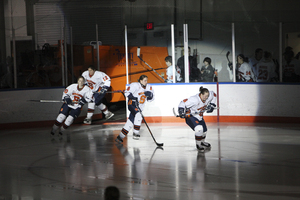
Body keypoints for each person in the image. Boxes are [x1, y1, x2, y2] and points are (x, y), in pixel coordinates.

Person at [115, 75, 155, 143]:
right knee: (139, 115)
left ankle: (120, 137)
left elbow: (151, 99)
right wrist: (133, 98)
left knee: (130, 122)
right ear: (140, 80)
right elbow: (127, 93)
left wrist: (150, 96)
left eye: (146, 80)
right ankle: (135, 133)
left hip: (140, 107)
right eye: (145, 80)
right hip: (132, 104)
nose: (146, 82)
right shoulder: (135, 85)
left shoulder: (149, 87)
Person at [178, 86, 217, 152]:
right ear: (201, 94)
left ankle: (202, 142)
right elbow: (183, 102)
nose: (206, 98)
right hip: (191, 116)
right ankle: (198, 145)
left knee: (204, 131)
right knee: (199, 129)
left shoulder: (209, 96)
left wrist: (212, 105)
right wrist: (181, 111)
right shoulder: (194, 99)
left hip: (199, 116)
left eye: (207, 96)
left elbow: (214, 95)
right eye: (204, 96)